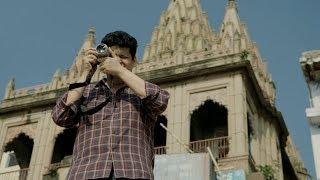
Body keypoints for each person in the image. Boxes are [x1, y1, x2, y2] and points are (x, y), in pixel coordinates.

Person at [52, 31, 169, 180]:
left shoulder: (141, 93)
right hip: (87, 172)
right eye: (112, 56)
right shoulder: (86, 92)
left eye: (123, 57)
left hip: (132, 171)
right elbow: (60, 116)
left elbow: (160, 101)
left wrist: (119, 70)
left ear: (134, 61)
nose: (117, 60)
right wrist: (86, 72)